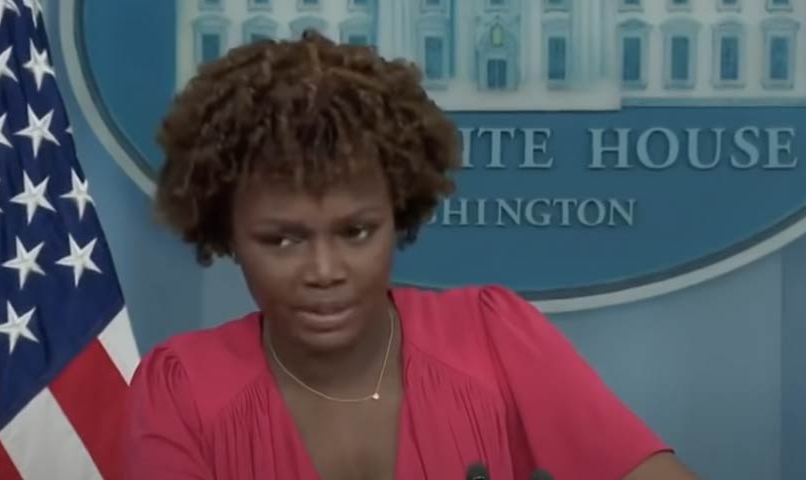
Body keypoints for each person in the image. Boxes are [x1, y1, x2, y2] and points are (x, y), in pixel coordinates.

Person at [125, 31, 698, 479]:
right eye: (283, 241)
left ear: (399, 212)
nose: (325, 272)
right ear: (226, 232)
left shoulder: (492, 337)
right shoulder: (183, 388)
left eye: (356, 232)